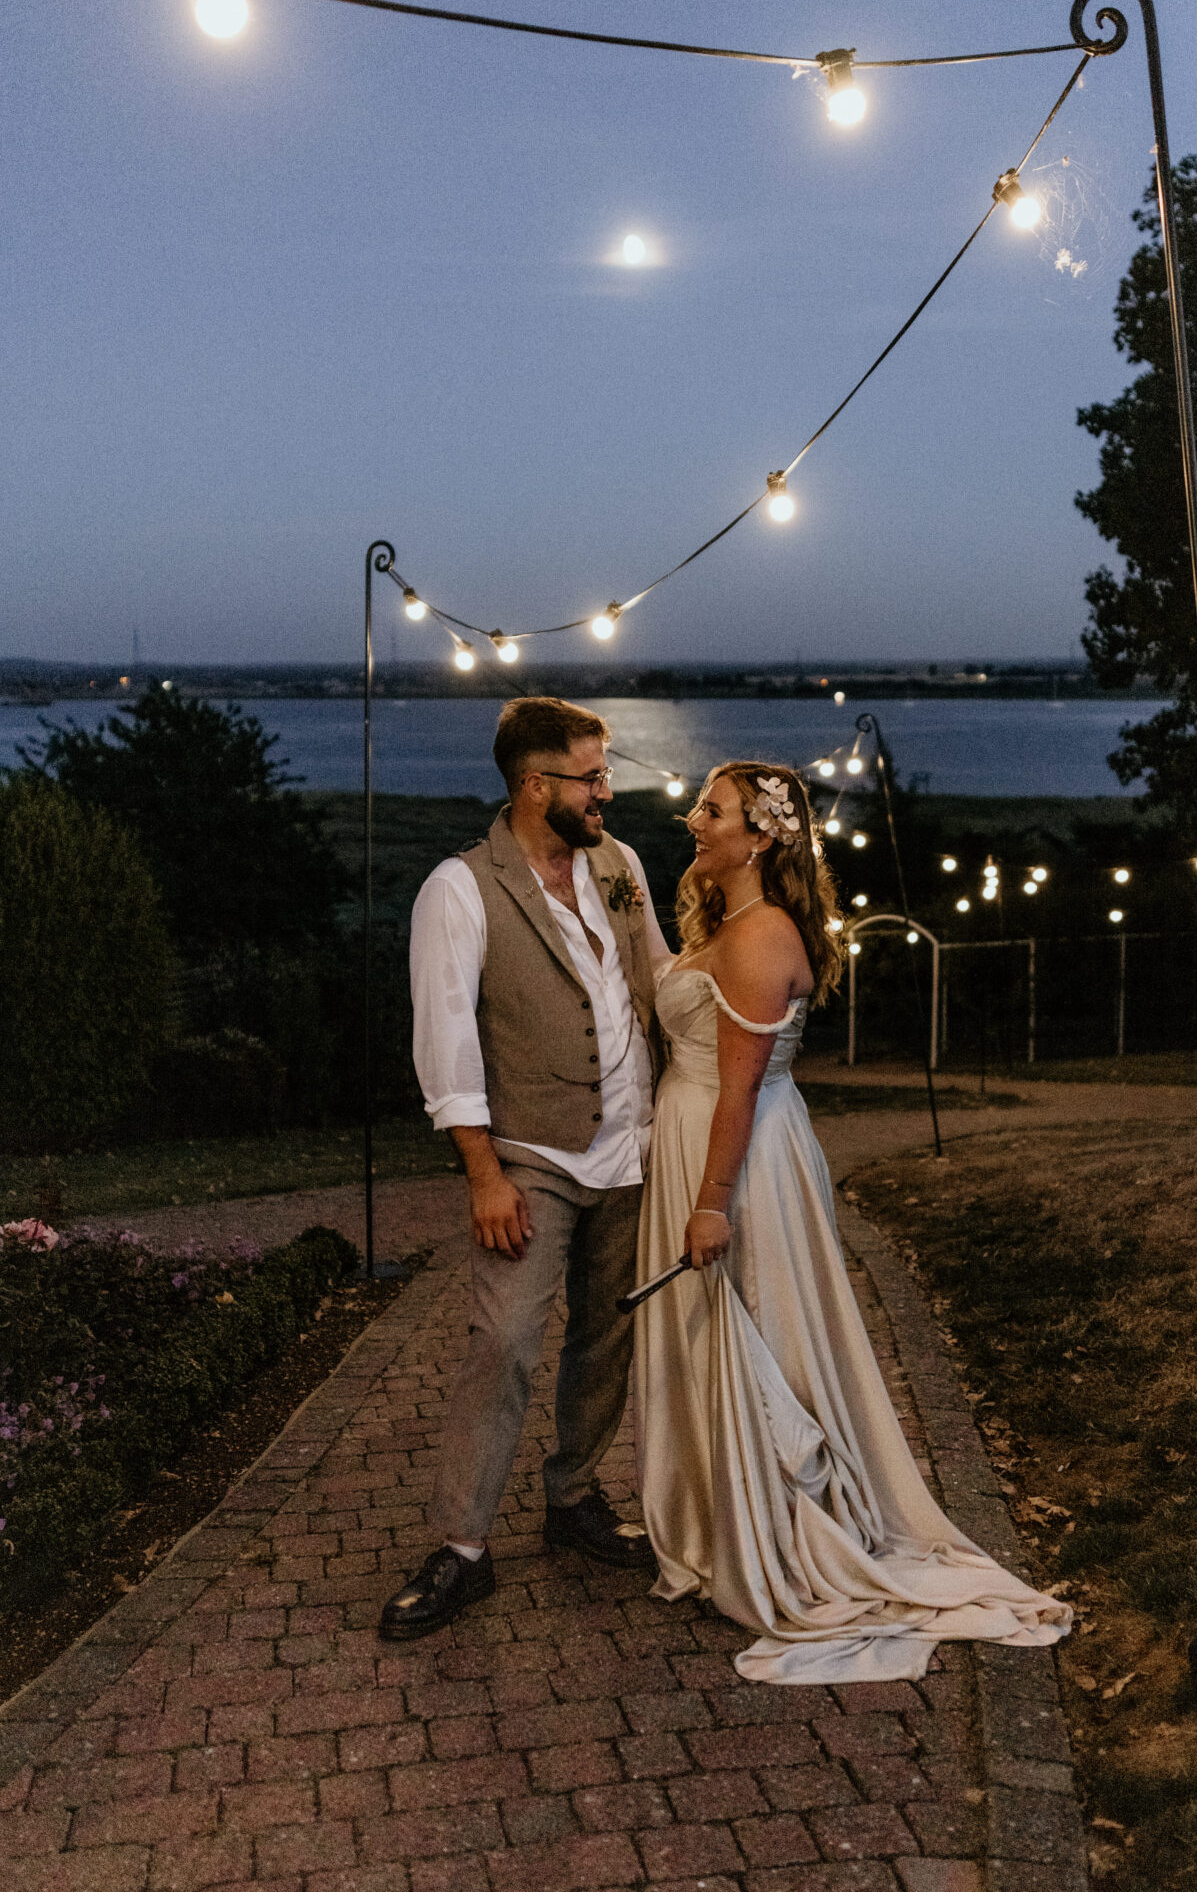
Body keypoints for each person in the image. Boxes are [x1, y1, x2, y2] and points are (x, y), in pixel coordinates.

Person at [635, 761, 1070, 1681]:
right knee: (715, 1334)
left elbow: (740, 1088)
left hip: (737, 1160)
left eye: (712, 810)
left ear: (761, 838)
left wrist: (710, 1202)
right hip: (699, 1140)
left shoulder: (762, 936)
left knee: (759, 1328)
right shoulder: (727, 925)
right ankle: (719, 1512)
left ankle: (776, 1524)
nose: (694, 819)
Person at [380, 697, 670, 1642]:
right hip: (532, 1158)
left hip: (633, 1146)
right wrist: (484, 1175)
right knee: (503, 1345)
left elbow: (658, 978)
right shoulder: (458, 889)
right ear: (536, 785)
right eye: (591, 776)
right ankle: (462, 1547)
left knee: (609, 1335)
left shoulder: (619, 866)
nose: (605, 791)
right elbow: (446, 1043)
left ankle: (573, 1498)